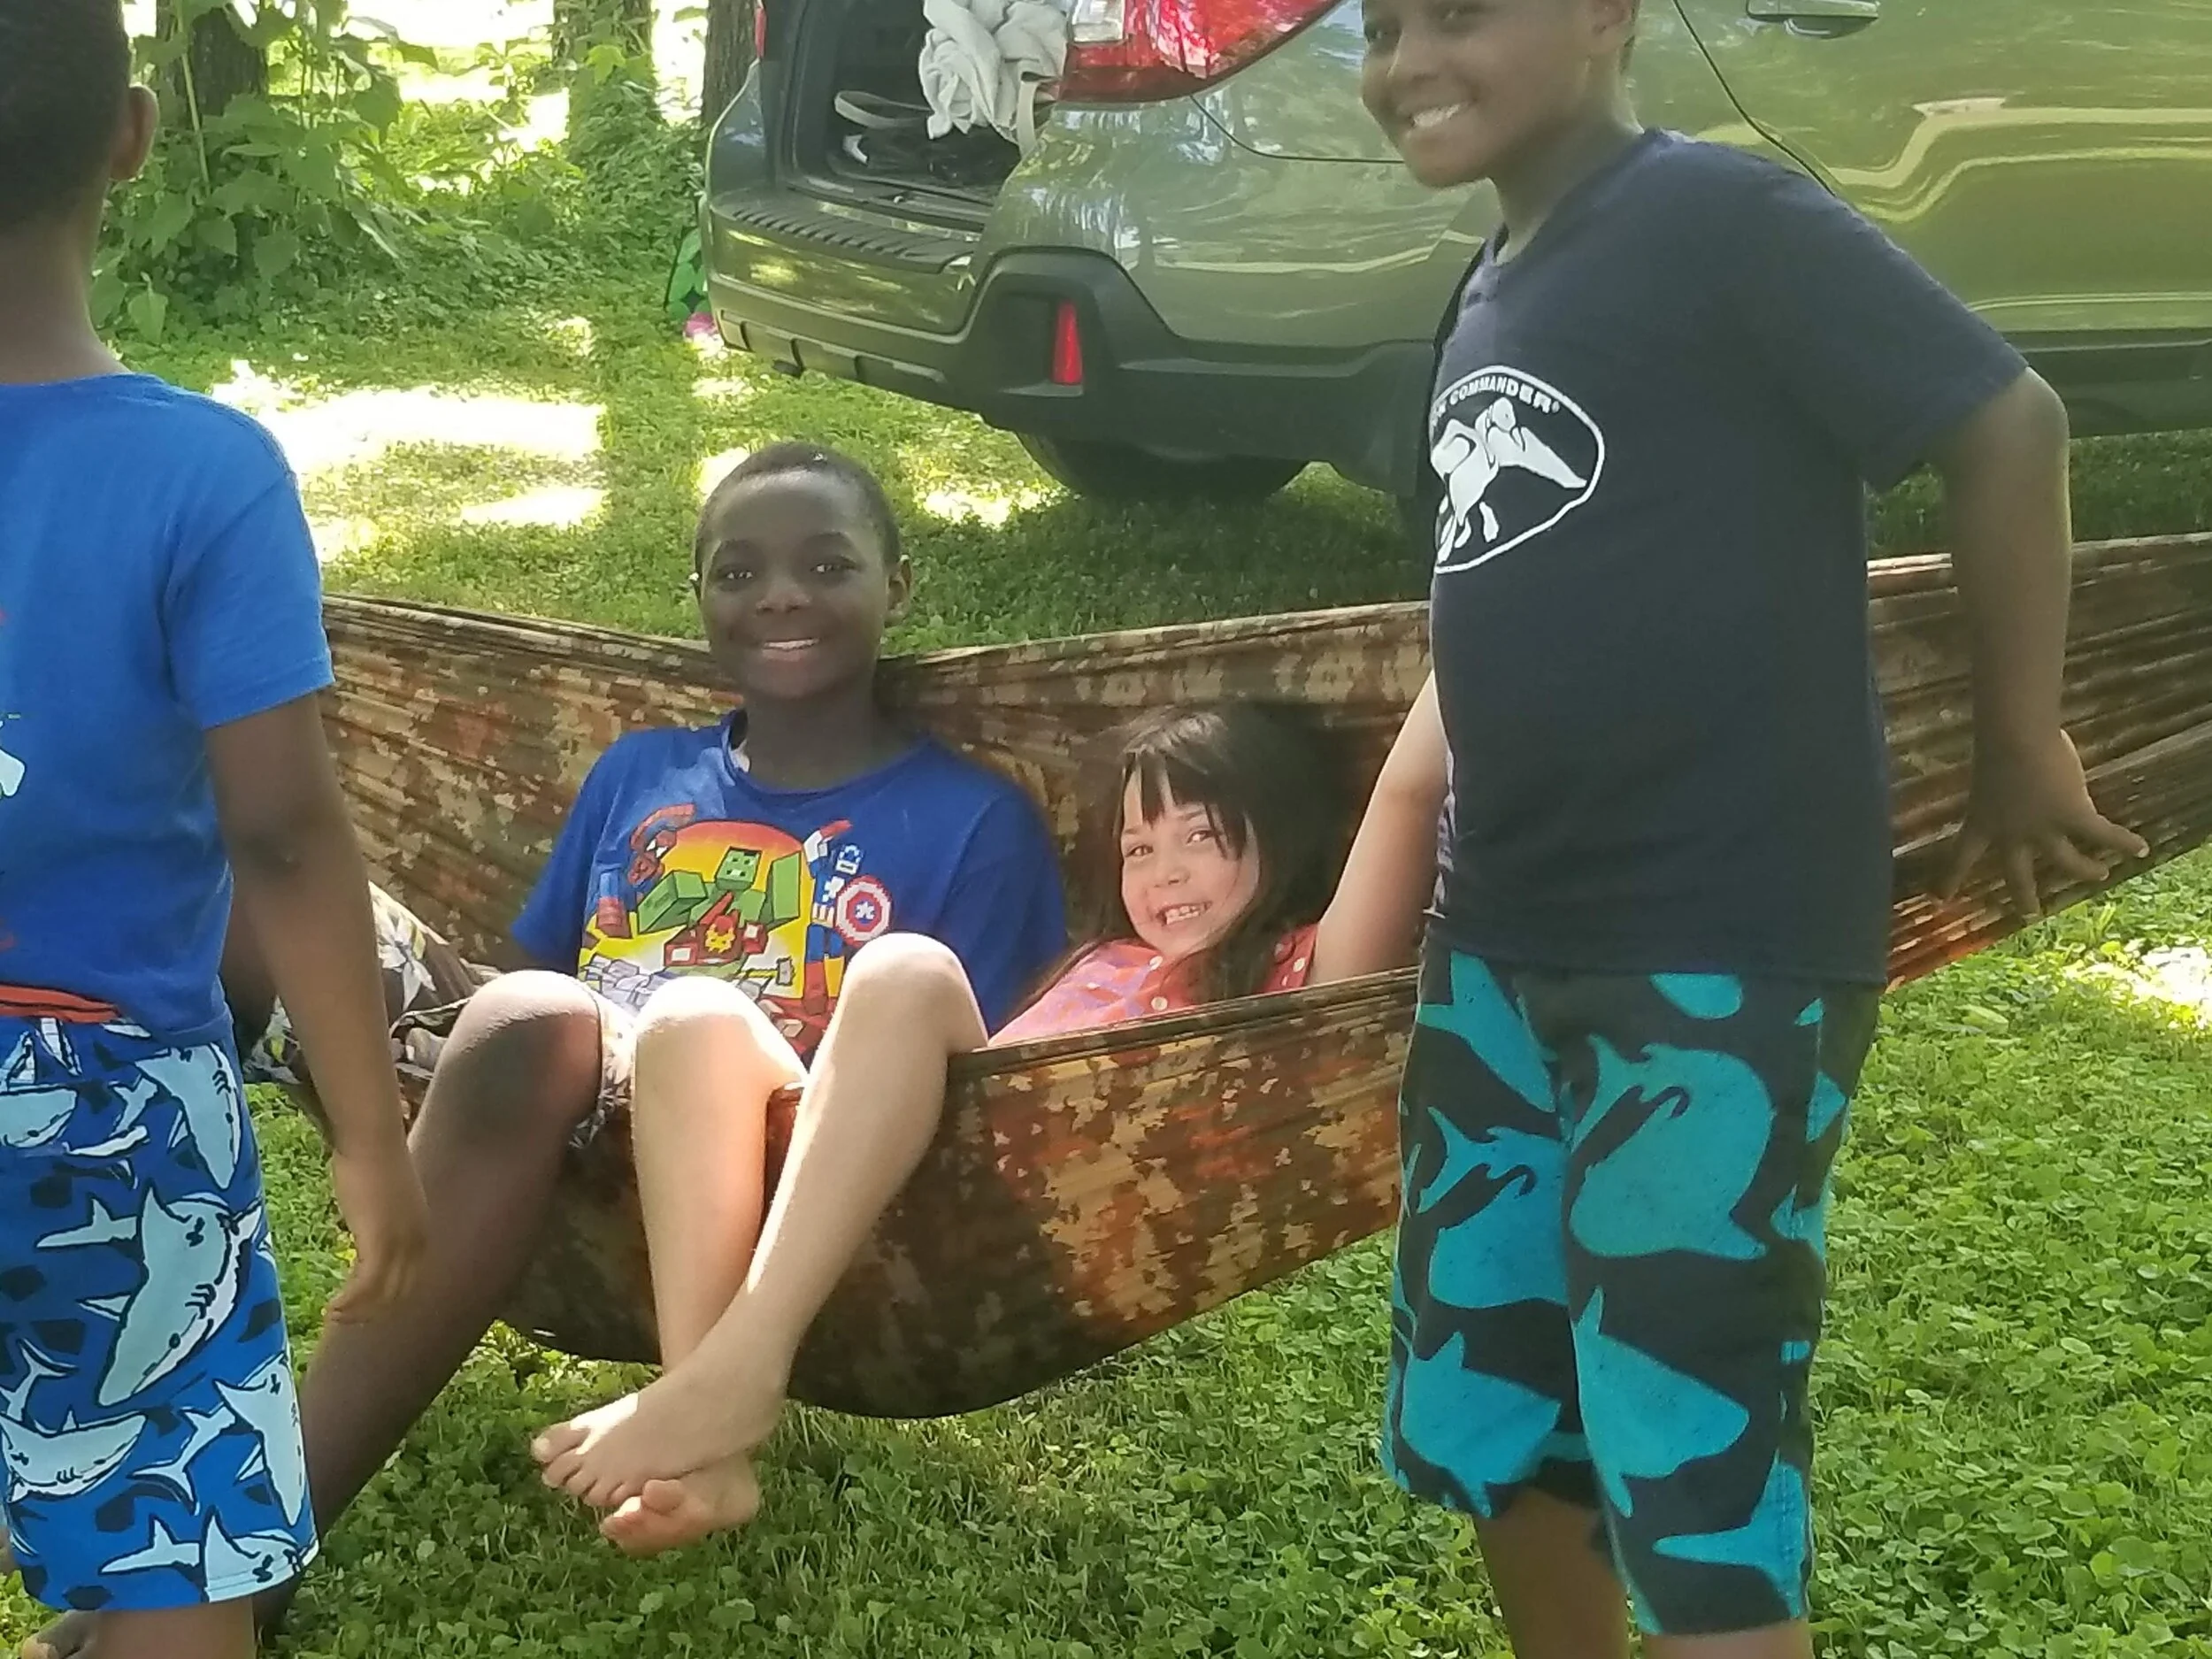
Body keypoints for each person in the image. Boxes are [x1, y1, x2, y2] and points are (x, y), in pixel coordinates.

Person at [1355, 3, 2149, 1657]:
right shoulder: (1491, 283)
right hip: (1499, 945)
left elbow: (2007, 422)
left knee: (1689, 1448)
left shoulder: (1720, 219)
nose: (1407, 59)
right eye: (1378, 25)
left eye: (1458, 14)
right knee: (1502, 1416)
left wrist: (2020, 740)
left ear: (1600, 18)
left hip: (1712, 960)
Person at [524, 687, 1449, 1555]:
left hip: (998, 1212)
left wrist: (1473, 599)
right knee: (687, 1019)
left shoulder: (1307, 974)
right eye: (1136, 847)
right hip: (879, 1171)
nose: (1164, 873)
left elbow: (1406, 799)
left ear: (1281, 840)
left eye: (1199, 836)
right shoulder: (1105, 964)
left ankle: (738, 1367)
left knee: (904, 971)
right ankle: (709, 1439)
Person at [0, 3, 429, 1655]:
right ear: (130, 132)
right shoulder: (206, 474)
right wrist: (373, 1132)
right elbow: (291, 838)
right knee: (173, 1529)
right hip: (117, 1106)